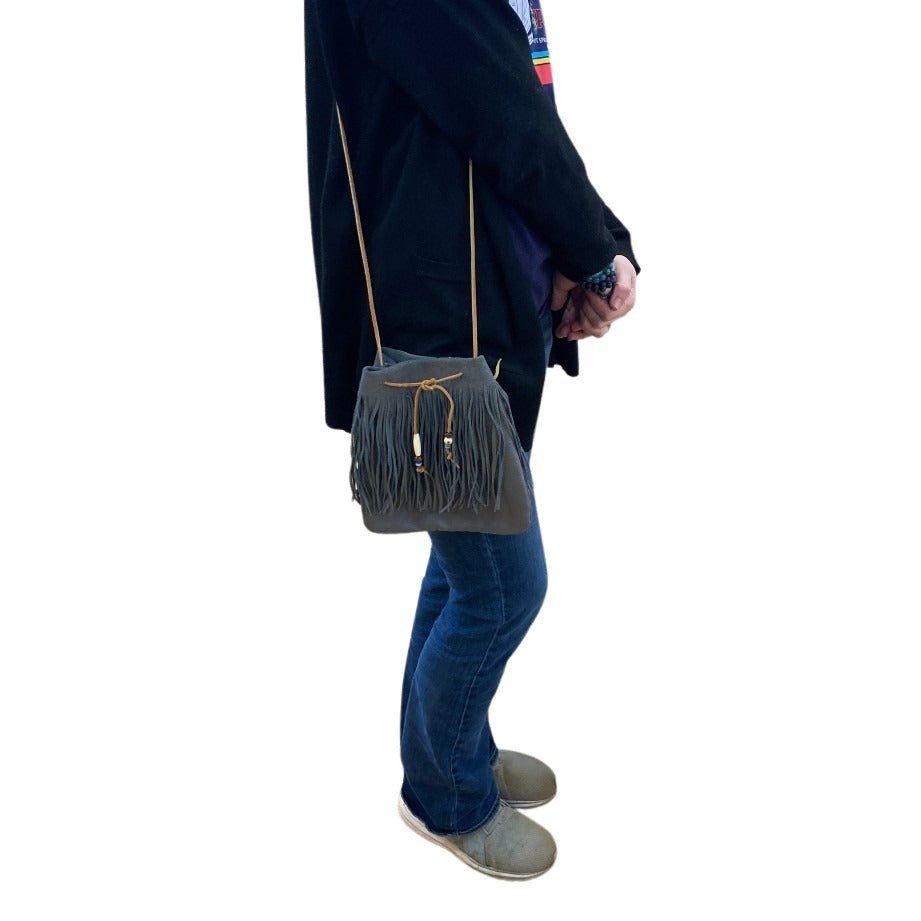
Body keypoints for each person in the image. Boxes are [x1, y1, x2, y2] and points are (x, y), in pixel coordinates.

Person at [304, 0, 640, 880]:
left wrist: (583, 248)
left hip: (483, 307)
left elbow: (516, 111)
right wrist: (596, 251)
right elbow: (502, 115)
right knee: (502, 587)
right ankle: (445, 790)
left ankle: (455, 749)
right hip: (440, 331)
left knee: (467, 565)